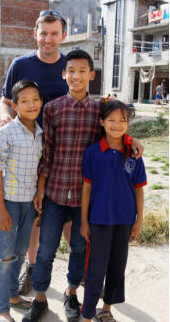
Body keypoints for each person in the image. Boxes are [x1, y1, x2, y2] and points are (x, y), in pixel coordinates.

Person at [22, 49, 144, 322]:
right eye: (71, 71)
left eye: (82, 71)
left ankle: (71, 292)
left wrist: (132, 140)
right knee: (45, 250)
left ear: (91, 75)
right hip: (55, 192)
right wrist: (41, 189)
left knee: (79, 249)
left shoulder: (100, 109)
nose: (76, 76)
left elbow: (116, 127)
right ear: (64, 74)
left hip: (85, 197)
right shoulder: (52, 109)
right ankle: (40, 299)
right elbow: (48, 152)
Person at [0, 10, 71, 296]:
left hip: (65, 154)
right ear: (35, 34)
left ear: (63, 35)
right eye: (44, 33)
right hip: (28, 153)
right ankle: (31, 269)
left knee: (68, 214)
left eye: (54, 33)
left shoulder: (72, 64)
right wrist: (5, 117)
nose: (48, 39)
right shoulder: (20, 64)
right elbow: (4, 101)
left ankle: (80, 273)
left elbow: (88, 102)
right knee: (35, 215)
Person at [80, 100, 147, 322]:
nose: (117, 125)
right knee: (96, 270)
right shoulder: (93, 152)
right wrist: (84, 221)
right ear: (101, 122)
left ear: (128, 123)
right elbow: (87, 189)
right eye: (111, 120)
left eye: (122, 120)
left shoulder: (134, 154)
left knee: (117, 267)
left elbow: (139, 190)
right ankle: (87, 315)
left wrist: (138, 221)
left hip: (125, 220)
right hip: (99, 220)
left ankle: (107, 308)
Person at [0, 80, 43, 322]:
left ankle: (13, 295)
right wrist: (1, 209)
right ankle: (2, 307)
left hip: (29, 204)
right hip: (9, 204)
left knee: (21, 252)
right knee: (5, 256)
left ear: (41, 102)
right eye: (24, 101)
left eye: (35, 99)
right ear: (14, 105)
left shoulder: (40, 133)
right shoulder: (6, 132)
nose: (31, 104)